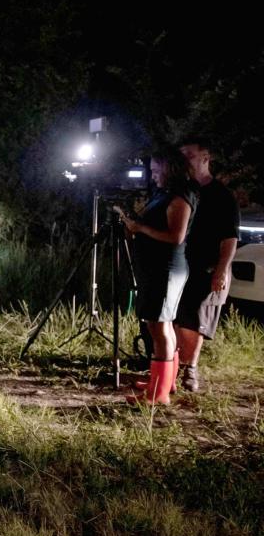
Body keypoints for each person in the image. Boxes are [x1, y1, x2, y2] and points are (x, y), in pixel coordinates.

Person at [117, 148, 197, 405]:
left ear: (169, 169)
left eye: (155, 171)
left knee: (159, 326)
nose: (152, 176)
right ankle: (163, 381)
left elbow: (176, 237)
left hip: (166, 269)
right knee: (162, 324)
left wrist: (140, 227)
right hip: (157, 269)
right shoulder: (165, 194)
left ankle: (157, 395)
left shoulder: (180, 198)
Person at [173, 136, 240, 392]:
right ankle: (174, 366)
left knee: (196, 318)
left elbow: (230, 236)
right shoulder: (182, 191)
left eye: (189, 155)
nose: (185, 161)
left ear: (205, 157)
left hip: (208, 266)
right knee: (177, 316)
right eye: (182, 157)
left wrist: (222, 269)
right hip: (181, 264)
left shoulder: (221, 195)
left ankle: (190, 368)